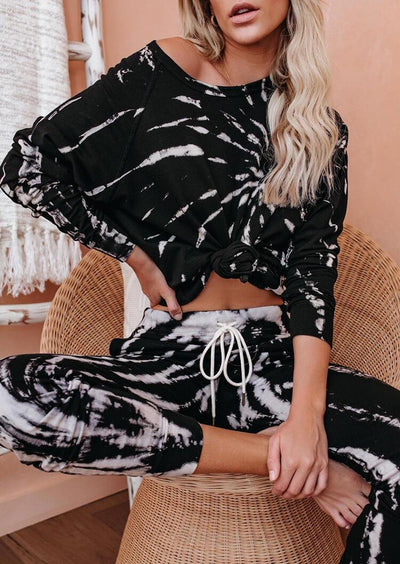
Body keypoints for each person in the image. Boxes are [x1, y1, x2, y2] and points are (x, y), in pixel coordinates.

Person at [0, 0, 399, 561]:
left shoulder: (321, 129)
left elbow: (313, 273)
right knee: (11, 394)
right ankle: (276, 458)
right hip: (170, 355)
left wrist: (305, 421)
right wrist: (133, 256)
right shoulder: (164, 70)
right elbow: (28, 165)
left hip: (272, 360)